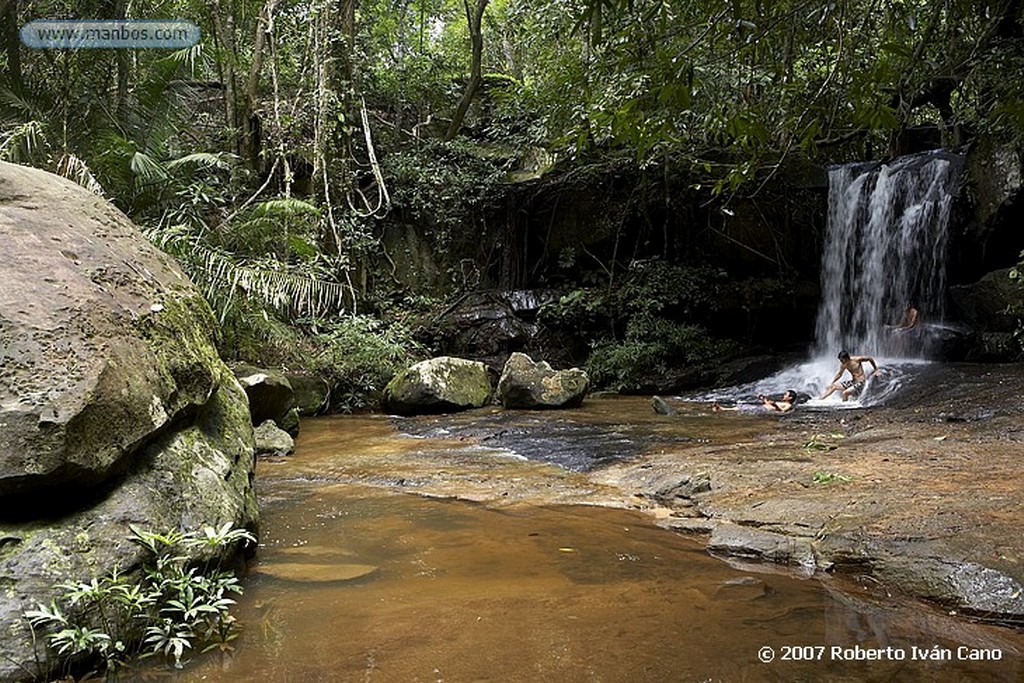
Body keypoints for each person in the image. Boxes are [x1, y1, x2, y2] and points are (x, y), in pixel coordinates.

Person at [713, 390, 799, 413]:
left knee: (741, 408)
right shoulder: (782, 402)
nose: (784, 395)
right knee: (742, 406)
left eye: (786, 394)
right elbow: (769, 404)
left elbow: (782, 411)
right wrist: (763, 398)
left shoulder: (789, 406)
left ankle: (721, 409)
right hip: (762, 408)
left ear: (790, 398)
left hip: (762, 410)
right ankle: (721, 408)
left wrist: (775, 406)